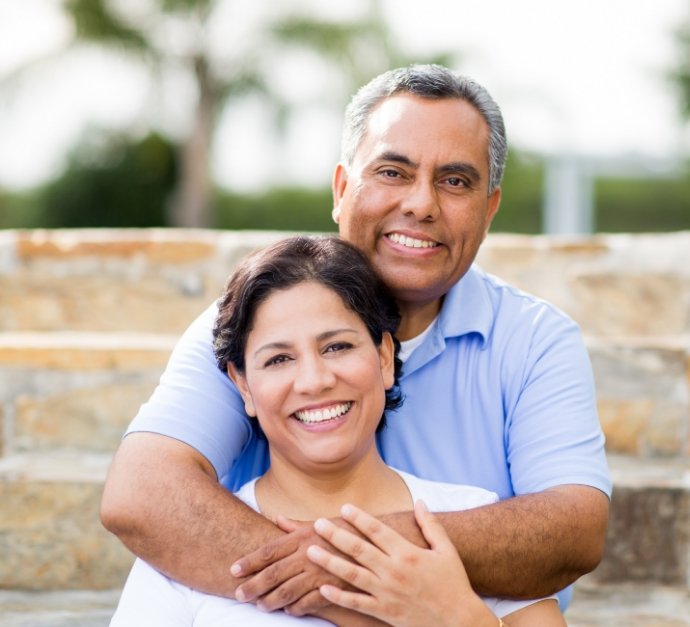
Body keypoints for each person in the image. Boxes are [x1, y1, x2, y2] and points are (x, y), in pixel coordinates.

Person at [100, 64, 611, 618]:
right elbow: (143, 493)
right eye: (392, 172)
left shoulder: (535, 341)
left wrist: (353, 562)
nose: (421, 204)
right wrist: (357, 595)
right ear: (342, 189)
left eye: (456, 181)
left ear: (489, 210)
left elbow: (573, 530)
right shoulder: (252, 321)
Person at [109, 235, 564, 626]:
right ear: (242, 385)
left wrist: (458, 618)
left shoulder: (470, 518)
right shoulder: (185, 550)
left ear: (384, 357)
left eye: (338, 346)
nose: (314, 380)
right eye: (279, 359)